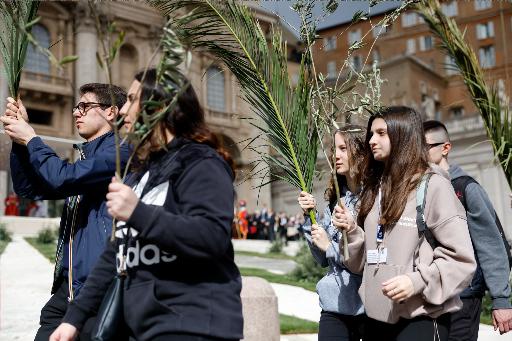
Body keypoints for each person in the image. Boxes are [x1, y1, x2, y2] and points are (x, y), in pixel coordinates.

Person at [50, 68, 244, 341]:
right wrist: (74, 318)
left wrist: (137, 212)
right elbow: (117, 250)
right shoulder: (143, 172)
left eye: (131, 99)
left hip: (191, 324)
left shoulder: (202, 162)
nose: (123, 109)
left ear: (159, 106)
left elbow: (212, 236)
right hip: (142, 327)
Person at [335, 106, 476, 341]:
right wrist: (352, 232)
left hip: (421, 319)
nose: (371, 140)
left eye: (381, 133)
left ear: (403, 135)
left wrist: (417, 281)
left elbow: (461, 260)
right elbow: (358, 265)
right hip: (375, 320)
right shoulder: (372, 190)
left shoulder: (433, 186)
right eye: (371, 134)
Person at [0, 83, 129, 340]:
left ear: (111, 112)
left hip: (98, 286)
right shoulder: (87, 159)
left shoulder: (119, 153)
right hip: (69, 286)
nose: (75, 113)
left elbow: (62, 178)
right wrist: (20, 144)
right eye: (76, 107)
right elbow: (29, 188)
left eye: (84, 106)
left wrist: (32, 139)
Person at [424, 120, 512, 338]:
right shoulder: (421, 189)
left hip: (464, 294)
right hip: (429, 295)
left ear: (446, 148)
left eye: (425, 147)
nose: (419, 154)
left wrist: (501, 300)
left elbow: (490, 243)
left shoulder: (465, 187)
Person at [297, 125, 367, 341]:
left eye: (343, 148)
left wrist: (330, 247)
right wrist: (311, 219)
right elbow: (321, 259)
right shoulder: (335, 202)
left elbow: (369, 259)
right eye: (334, 149)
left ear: (361, 153)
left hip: (368, 307)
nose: (335, 155)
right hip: (334, 304)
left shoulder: (375, 199)